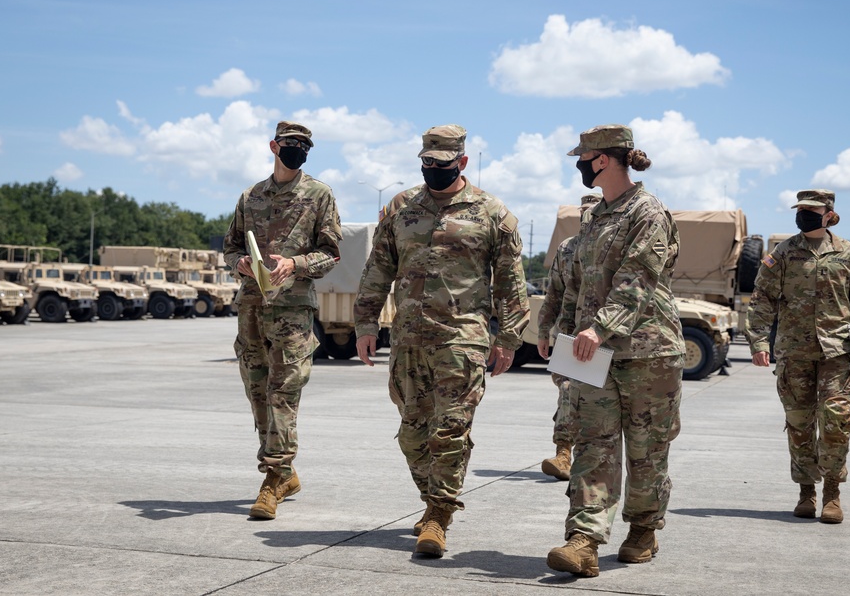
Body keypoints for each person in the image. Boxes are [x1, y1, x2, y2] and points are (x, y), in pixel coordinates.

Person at [353, 124, 530, 558]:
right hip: (409, 338)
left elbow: (510, 281)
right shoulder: (401, 206)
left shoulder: (491, 212)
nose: (433, 169)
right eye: (426, 162)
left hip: (462, 339)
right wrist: (365, 323)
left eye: (442, 164)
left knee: (449, 430)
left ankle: (438, 513)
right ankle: (431, 497)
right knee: (413, 435)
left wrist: (507, 337)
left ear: (462, 162)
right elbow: (378, 268)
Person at [546, 124, 684, 578]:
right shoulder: (595, 217)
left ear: (602, 160)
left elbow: (639, 277)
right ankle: (583, 539)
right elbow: (578, 287)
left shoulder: (648, 212)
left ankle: (643, 529)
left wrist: (601, 329)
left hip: (647, 352)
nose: (580, 167)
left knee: (647, 450)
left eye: (582, 159)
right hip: (593, 353)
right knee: (593, 445)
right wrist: (564, 336)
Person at [223, 121, 342, 520]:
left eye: (304, 146)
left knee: (283, 393)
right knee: (258, 392)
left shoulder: (319, 195)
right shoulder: (249, 196)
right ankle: (286, 472)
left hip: (292, 311)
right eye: (290, 144)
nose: (297, 150)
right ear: (274, 146)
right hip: (252, 308)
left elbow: (330, 254)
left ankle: (273, 477)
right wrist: (238, 262)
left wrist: (295, 263)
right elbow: (230, 248)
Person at [745, 189, 850, 524]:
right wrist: (759, 343)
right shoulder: (783, 253)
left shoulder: (848, 253)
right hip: (794, 350)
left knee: (836, 419)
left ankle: (832, 493)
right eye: (800, 209)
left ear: (828, 215)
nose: (803, 213)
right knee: (799, 422)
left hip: (837, 350)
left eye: (811, 209)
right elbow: (762, 298)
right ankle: (806, 491)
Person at [536, 194, 601, 481]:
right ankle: (563, 454)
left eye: (592, 212)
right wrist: (543, 331)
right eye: (583, 213)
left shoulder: (611, 248)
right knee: (567, 392)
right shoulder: (566, 249)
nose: (586, 218)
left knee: (599, 401)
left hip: (605, 335)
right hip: (569, 334)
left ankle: (597, 458)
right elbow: (554, 293)